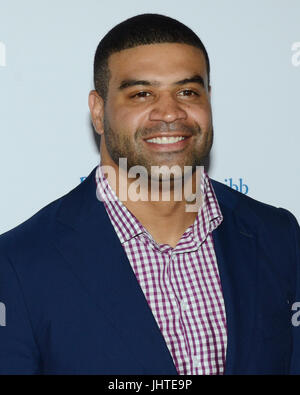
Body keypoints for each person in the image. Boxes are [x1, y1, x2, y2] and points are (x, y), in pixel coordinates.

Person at [0, 13, 300, 376]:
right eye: (142, 94)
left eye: (187, 91)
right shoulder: (18, 263)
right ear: (99, 111)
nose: (170, 112)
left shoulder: (278, 234)